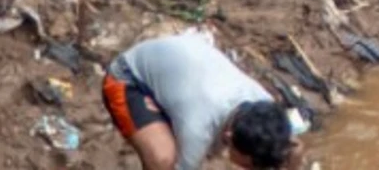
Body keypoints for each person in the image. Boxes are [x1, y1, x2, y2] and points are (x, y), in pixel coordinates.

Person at [103, 29, 299, 170]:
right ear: (229, 137)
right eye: (249, 166)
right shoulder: (197, 127)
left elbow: (294, 147)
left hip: (178, 75)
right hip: (129, 78)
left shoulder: (264, 104)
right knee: (162, 159)